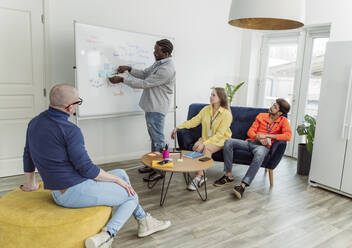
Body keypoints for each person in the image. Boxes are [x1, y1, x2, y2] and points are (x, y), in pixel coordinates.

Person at [21, 84, 171, 248]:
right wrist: (116, 181)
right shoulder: (70, 130)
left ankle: (144, 220)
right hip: (72, 192)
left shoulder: (35, 122)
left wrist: (31, 183)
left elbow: (28, 154)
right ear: (70, 107)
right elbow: (87, 169)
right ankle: (107, 235)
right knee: (131, 196)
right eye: (78, 102)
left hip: (58, 190)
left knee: (121, 173)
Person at [109, 39, 175, 182]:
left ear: (165, 53)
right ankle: (153, 165)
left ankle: (160, 170)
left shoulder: (166, 69)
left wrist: (122, 80)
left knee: (158, 140)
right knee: (154, 138)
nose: (154, 53)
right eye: (154, 49)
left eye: (157, 51)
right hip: (151, 106)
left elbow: (145, 83)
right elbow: (145, 73)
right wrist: (129, 69)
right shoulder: (160, 63)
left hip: (157, 108)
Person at [213, 98, 291, 199]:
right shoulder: (261, 116)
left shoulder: (283, 121)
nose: (271, 107)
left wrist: (267, 136)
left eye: (275, 107)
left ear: (280, 113)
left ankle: (242, 185)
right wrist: (257, 136)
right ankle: (228, 176)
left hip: (263, 147)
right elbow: (250, 132)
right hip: (251, 142)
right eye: (273, 104)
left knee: (260, 154)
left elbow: (288, 136)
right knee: (228, 142)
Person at [170, 88, 232, 190]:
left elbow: (220, 134)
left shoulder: (226, 114)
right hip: (206, 137)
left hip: (220, 139)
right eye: (211, 94)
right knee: (196, 147)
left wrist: (205, 143)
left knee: (206, 148)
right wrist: (178, 127)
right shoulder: (206, 109)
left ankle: (199, 176)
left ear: (220, 98)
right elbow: (193, 121)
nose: (210, 97)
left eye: (213, 95)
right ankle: (200, 173)